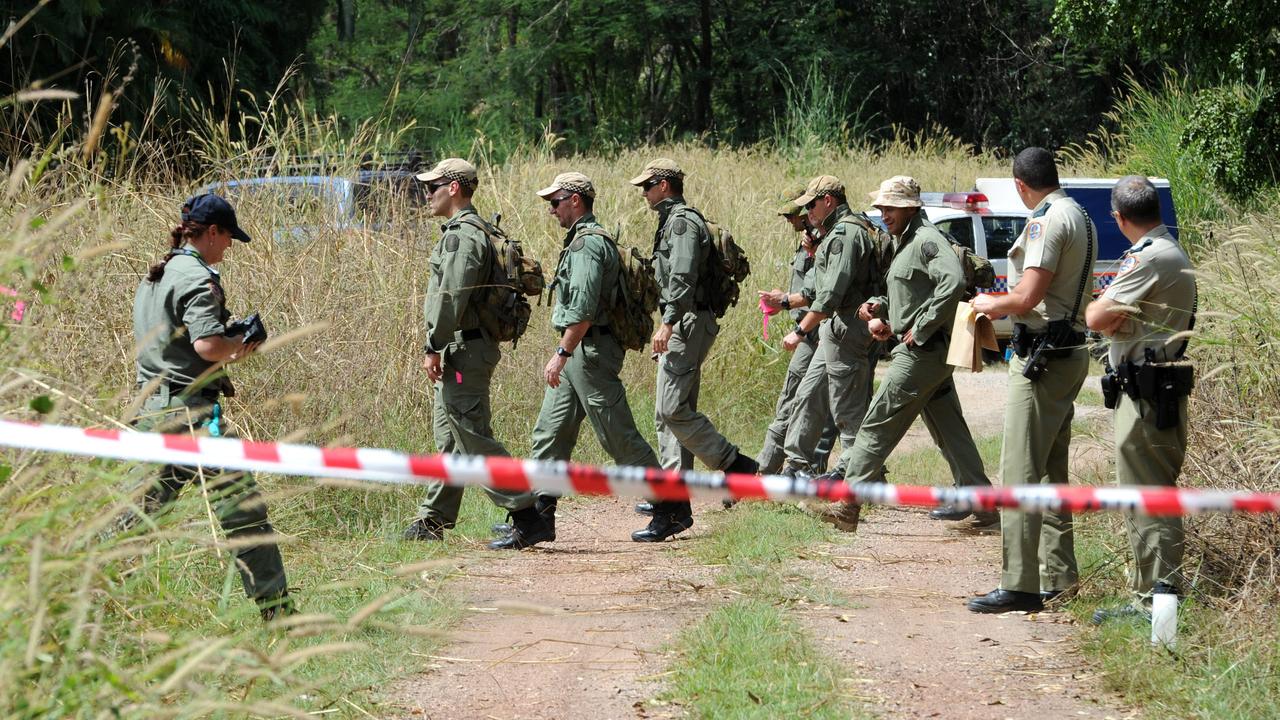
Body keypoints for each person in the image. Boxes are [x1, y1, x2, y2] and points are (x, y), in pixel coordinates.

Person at [130, 193, 294, 622]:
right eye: (228, 238)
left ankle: (83, 598)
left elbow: (181, 346)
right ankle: (278, 613)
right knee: (245, 513)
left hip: (151, 409)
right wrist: (239, 342)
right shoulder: (200, 278)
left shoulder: (159, 271)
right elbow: (206, 344)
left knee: (135, 517)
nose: (230, 247)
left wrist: (228, 344)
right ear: (213, 232)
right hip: (191, 417)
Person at [967, 148, 1099, 614]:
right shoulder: (1080, 214)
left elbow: (1026, 295)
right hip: (1066, 352)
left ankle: (1019, 583)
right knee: (1050, 471)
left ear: (1021, 185)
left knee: (1021, 470)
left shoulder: (1046, 220)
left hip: (1042, 357)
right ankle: (1060, 576)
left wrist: (986, 303)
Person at [496, 172, 661, 541]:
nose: (551, 210)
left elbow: (584, 310)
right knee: (550, 432)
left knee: (616, 435)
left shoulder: (588, 245)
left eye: (555, 202)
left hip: (589, 351)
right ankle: (539, 518)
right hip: (579, 351)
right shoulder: (580, 242)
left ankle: (672, 505)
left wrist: (561, 352)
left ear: (575, 200)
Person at [831, 176, 995, 531]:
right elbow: (914, 295)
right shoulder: (906, 242)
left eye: (889, 207)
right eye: (881, 207)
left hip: (922, 354)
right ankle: (984, 505)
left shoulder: (926, 240)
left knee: (876, 423)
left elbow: (952, 281)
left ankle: (848, 503)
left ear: (909, 207)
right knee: (950, 429)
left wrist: (919, 330)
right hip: (928, 354)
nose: (883, 213)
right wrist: (883, 309)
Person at [402, 158, 550, 550]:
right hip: (463, 348)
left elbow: (451, 296)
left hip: (463, 350)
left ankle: (527, 514)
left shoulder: (463, 235)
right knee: (451, 438)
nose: (427, 193)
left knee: (471, 435)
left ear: (453, 188)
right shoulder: (472, 230)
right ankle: (433, 518)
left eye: (433, 186)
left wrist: (432, 344)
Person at [629, 158, 759, 542]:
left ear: (665, 185)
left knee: (673, 409)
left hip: (685, 322)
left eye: (648, 185)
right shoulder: (672, 221)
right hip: (683, 321)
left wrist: (668, 324)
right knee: (665, 413)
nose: (644, 192)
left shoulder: (683, 223)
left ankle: (736, 464)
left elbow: (682, 278)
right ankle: (674, 503)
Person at [1085, 175, 1196, 623]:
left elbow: (1096, 315)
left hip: (1146, 392)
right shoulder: (1167, 251)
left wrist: (1107, 312)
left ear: (1119, 217)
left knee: (1145, 495)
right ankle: (1156, 597)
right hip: (1154, 387)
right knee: (1150, 493)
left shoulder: (1149, 258)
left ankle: (1154, 602)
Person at [755, 186, 838, 474]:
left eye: (793, 215)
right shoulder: (810, 243)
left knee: (820, 406)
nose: (789, 222)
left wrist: (788, 302)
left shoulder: (829, 242)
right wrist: (785, 302)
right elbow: (808, 290)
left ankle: (785, 472)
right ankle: (768, 473)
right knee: (796, 401)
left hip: (820, 333)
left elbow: (824, 294)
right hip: (809, 331)